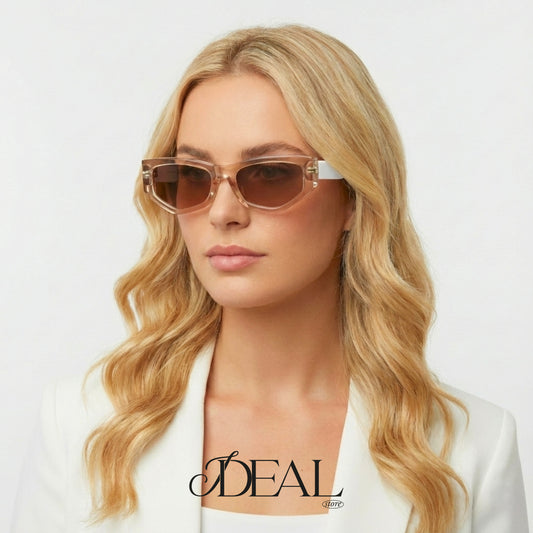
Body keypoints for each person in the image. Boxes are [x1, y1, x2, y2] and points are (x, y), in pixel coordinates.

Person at [11, 24, 529, 533]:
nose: (223, 213)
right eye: (192, 177)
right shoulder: (82, 427)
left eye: (271, 174)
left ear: (353, 196)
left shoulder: (470, 450)